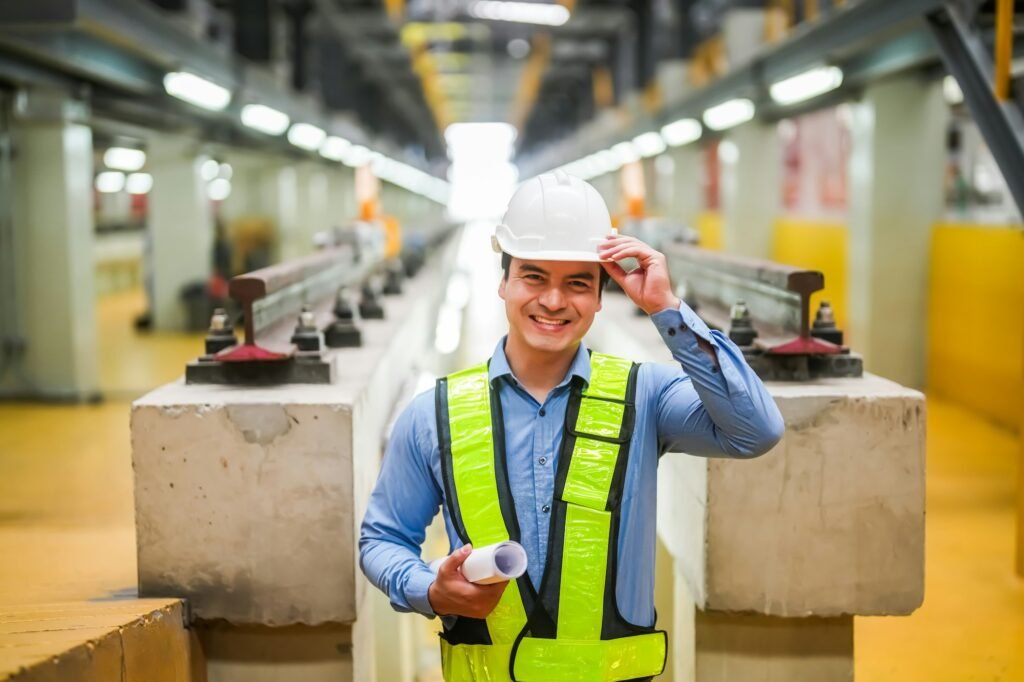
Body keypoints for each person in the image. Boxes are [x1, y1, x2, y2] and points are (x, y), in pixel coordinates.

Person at [359, 171, 784, 681]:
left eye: (577, 283)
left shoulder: (644, 397)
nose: (555, 301)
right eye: (534, 276)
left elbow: (755, 430)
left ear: (602, 295)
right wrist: (428, 587)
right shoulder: (435, 413)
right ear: (503, 281)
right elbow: (381, 539)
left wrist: (666, 309)